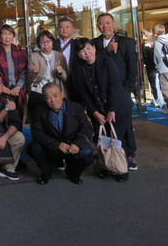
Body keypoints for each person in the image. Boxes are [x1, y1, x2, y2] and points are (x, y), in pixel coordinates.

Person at [72, 37, 137, 177]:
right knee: (102, 139)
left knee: (117, 138)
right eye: (82, 51)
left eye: (88, 48)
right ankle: (105, 166)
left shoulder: (107, 61)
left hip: (118, 106)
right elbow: (82, 92)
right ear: (78, 54)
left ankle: (121, 170)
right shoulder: (78, 68)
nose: (86, 53)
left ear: (94, 48)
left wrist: (112, 110)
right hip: (97, 109)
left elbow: (114, 86)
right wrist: (95, 112)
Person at [27, 83, 94, 185]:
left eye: (55, 95)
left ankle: (73, 173)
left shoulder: (76, 107)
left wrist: (77, 143)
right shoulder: (39, 110)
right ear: (44, 99)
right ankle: (46, 173)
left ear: (62, 95)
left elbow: (87, 128)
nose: (53, 100)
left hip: (72, 145)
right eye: (48, 97)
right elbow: (37, 133)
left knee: (88, 153)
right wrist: (57, 144)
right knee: (34, 147)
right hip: (52, 146)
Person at [91, 13, 138, 96]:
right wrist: (107, 50)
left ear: (113, 24)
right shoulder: (92, 43)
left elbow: (132, 68)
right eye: (101, 24)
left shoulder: (127, 42)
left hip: (121, 89)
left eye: (108, 23)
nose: (105, 26)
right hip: (100, 91)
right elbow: (91, 62)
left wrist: (127, 89)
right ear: (98, 26)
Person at [27, 30, 69, 118]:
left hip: (56, 91)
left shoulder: (60, 56)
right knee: (39, 117)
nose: (45, 45)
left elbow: (66, 78)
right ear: (39, 44)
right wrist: (35, 73)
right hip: (39, 91)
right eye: (42, 42)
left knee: (57, 117)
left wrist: (60, 72)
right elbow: (31, 79)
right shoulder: (34, 56)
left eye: (48, 41)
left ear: (52, 42)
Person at [0, 24, 27, 110]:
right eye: (4, 34)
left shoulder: (19, 51)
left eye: (9, 34)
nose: (7, 37)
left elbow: (24, 71)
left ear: (13, 36)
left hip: (17, 90)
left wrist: (18, 86)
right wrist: (2, 87)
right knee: (3, 114)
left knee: (18, 115)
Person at [141, 28, 163, 108]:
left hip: (150, 67)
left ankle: (158, 101)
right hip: (158, 66)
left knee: (154, 84)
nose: (142, 37)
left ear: (145, 35)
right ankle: (156, 100)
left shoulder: (144, 44)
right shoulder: (156, 42)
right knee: (157, 83)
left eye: (142, 35)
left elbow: (145, 56)